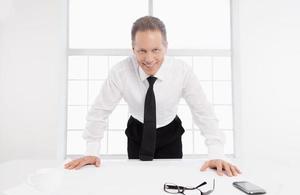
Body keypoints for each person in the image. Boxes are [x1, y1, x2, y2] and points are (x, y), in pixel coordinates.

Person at [65, 16, 241, 177]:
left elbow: (203, 112)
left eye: (156, 50)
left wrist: (216, 153)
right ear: (133, 48)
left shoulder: (182, 71)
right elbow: (99, 111)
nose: (149, 59)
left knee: (170, 183)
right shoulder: (120, 72)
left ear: (166, 47)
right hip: (137, 132)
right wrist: (91, 151)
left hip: (170, 133)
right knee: (139, 181)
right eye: (141, 51)